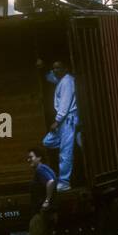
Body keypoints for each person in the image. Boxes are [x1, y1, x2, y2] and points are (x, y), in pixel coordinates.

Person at [42, 59, 79, 190]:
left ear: (65, 69)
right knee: (47, 142)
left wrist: (57, 120)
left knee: (65, 152)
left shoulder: (67, 82)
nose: (55, 70)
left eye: (58, 68)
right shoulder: (61, 80)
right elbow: (49, 77)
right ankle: (72, 142)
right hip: (66, 121)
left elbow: (65, 103)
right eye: (54, 68)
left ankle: (64, 182)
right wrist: (42, 66)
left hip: (67, 119)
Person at [26, 146, 57, 235]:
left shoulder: (40, 170)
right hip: (50, 212)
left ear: (39, 158)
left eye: (31, 157)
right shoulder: (47, 169)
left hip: (40, 213)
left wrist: (46, 200)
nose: (29, 160)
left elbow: (50, 182)